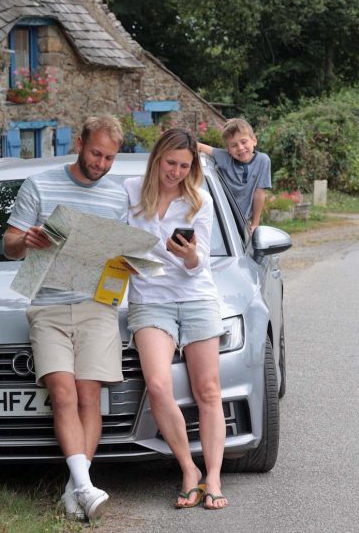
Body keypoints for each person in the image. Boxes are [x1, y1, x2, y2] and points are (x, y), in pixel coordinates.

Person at [2, 115, 128, 523]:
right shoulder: (39, 185)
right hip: (48, 305)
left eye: (110, 158)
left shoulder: (116, 197)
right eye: (96, 153)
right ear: (80, 142)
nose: (102, 164)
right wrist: (28, 239)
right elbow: (10, 248)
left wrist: (128, 263)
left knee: (90, 396)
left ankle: (76, 487)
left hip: (96, 306)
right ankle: (84, 487)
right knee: (63, 393)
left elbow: (118, 257)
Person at [124, 128, 230, 511]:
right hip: (150, 300)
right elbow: (117, 240)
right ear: (157, 158)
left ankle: (214, 476)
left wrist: (186, 255)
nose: (176, 172)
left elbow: (197, 263)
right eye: (171, 163)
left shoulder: (198, 201)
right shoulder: (131, 191)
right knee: (156, 385)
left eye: (185, 166)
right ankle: (189, 469)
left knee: (208, 390)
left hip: (196, 296)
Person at [197, 117, 271, 231]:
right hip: (221, 221)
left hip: (242, 223)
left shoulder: (263, 160)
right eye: (234, 145)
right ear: (228, 149)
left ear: (254, 140)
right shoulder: (224, 158)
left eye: (244, 142)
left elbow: (259, 194)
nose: (240, 148)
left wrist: (255, 224)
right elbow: (200, 147)